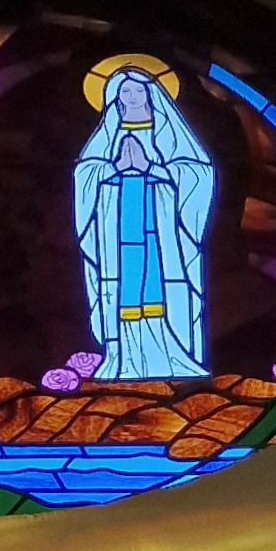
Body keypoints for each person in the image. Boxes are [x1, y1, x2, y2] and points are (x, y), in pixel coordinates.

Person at [72, 64, 215, 381]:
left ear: (152, 93)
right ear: (115, 96)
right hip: (116, 223)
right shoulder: (108, 133)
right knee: (123, 287)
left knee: (159, 284)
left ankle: (170, 357)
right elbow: (86, 175)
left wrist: (152, 168)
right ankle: (124, 360)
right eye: (125, 90)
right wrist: (115, 168)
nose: (133, 96)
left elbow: (197, 173)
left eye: (139, 89)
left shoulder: (170, 132)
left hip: (161, 225)